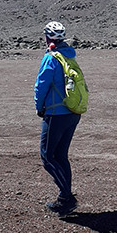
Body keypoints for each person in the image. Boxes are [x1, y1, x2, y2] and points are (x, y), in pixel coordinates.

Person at [34, 21, 81, 216]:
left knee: (47, 156)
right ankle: (64, 196)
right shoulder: (69, 55)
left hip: (56, 114)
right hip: (73, 112)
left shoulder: (51, 58)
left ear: (47, 37)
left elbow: (41, 85)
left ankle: (67, 197)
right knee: (60, 155)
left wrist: (39, 107)